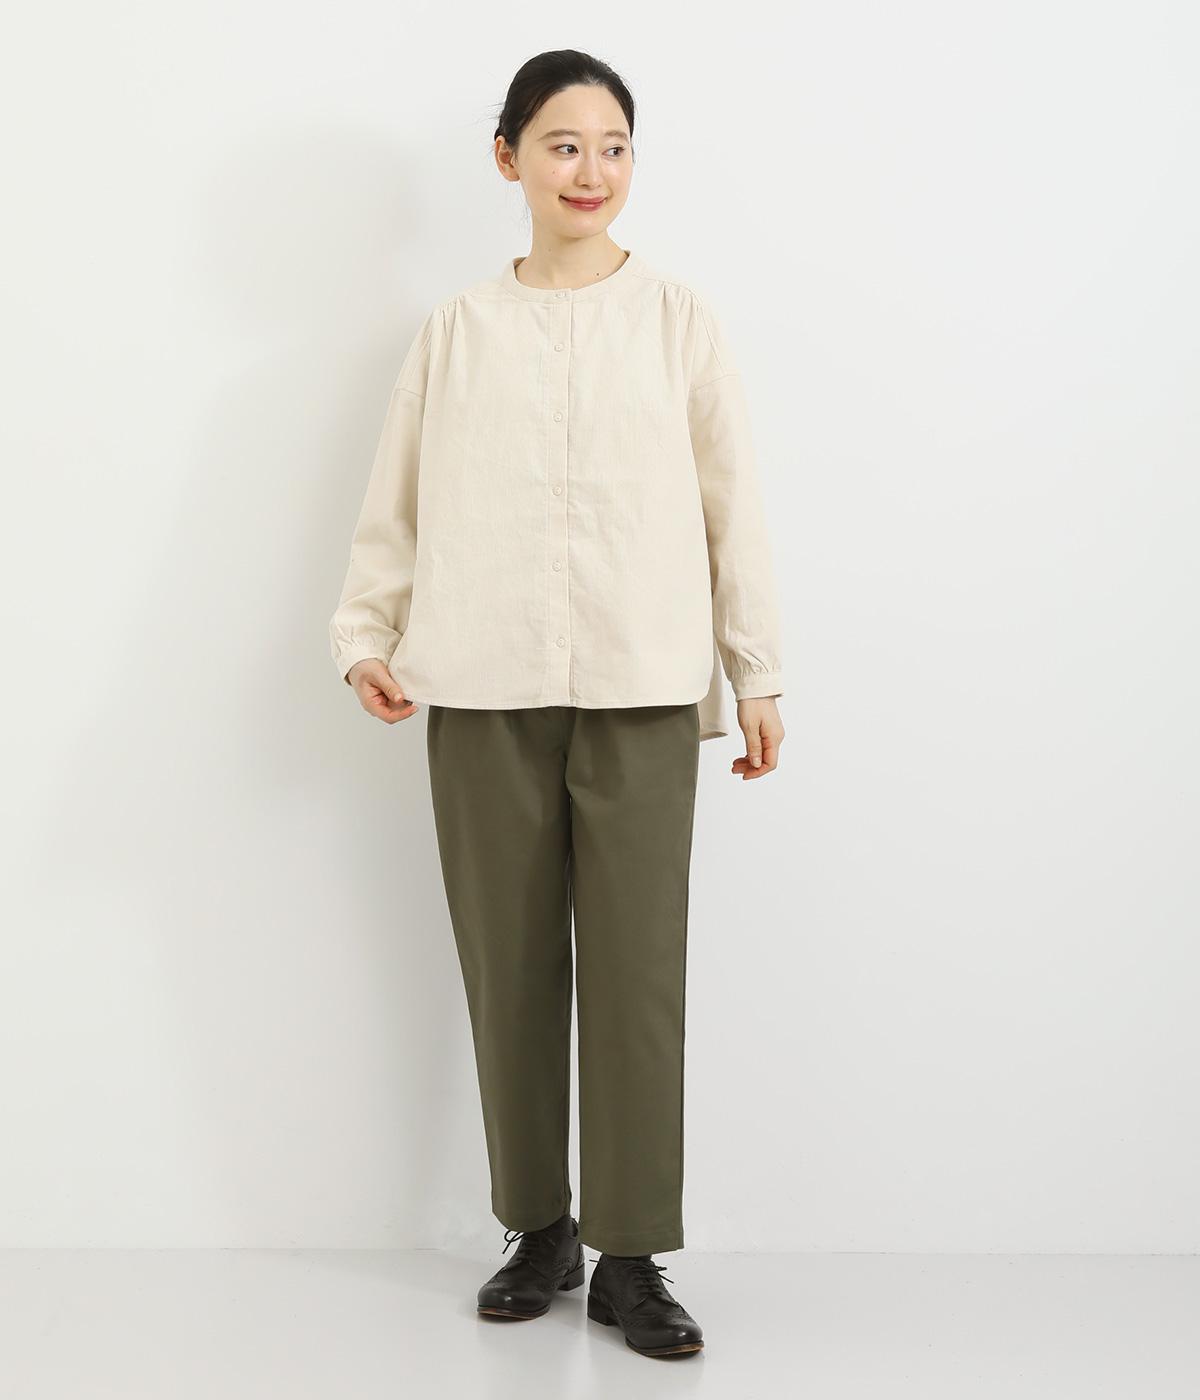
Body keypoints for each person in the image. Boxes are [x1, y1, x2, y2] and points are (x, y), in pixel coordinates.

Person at [328, 49, 785, 1361]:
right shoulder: (456, 331)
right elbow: (398, 498)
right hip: (479, 681)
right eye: (563, 144)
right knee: (509, 966)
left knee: (638, 975)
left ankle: (633, 1254)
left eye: (614, 146)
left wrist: (756, 668)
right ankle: (539, 1229)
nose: (592, 171)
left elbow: (733, 502)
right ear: (509, 158)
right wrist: (365, 635)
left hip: (645, 680)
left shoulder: (679, 320)